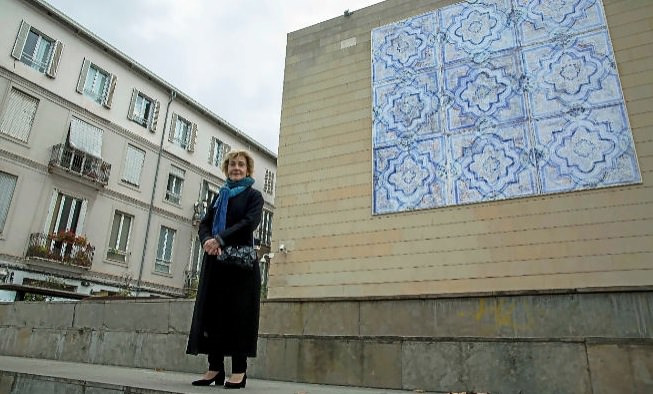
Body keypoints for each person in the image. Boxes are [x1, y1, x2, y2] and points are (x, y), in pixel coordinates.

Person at [186, 149, 264, 389]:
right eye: (232, 165)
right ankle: (215, 368)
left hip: (240, 266)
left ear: (248, 169)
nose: (236, 168)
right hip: (217, 263)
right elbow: (205, 223)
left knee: (238, 316)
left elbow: (249, 223)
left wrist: (219, 239)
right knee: (214, 315)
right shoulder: (220, 196)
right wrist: (207, 240)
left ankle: (239, 371)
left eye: (241, 164)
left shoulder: (254, 196)